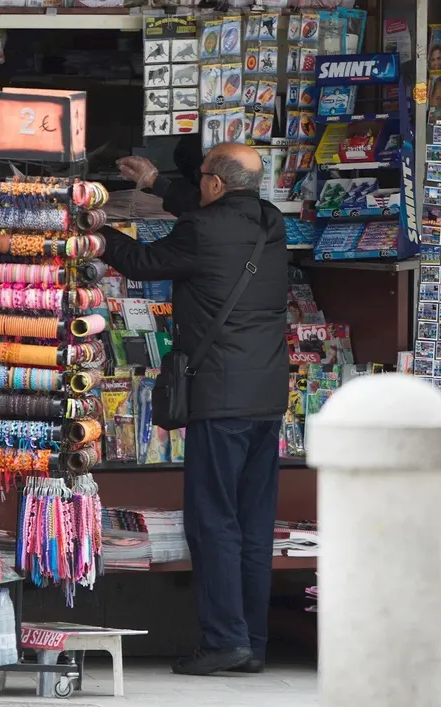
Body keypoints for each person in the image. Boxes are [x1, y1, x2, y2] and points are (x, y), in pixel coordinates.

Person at [105, 143, 289, 676]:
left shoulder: (200, 232)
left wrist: (94, 233)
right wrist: (156, 185)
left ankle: (223, 640)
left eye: (201, 177)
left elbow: (142, 260)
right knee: (253, 525)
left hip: (220, 399)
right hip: (265, 398)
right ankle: (251, 642)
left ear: (213, 184)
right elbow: (204, 207)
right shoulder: (270, 224)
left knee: (212, 522)